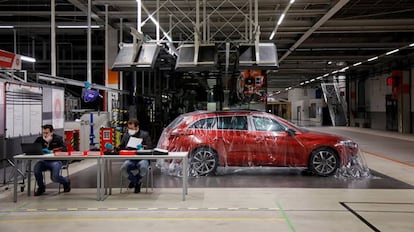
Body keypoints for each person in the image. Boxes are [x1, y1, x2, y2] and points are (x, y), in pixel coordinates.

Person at [33, 124, 71, 196]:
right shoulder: (39, 139)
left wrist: (52, 151)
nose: (45, 135)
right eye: (43, 133)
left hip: (56, 161)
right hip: (44, 161)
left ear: (51, 132)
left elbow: (64, 149)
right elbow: (33, 147)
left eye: (47, 133)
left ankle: (66, 182)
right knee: (36, 169)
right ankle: (41, 187)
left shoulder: (58, 139)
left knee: (54, 177)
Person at [119, 118, 153, 193]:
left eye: (132, 128)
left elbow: (150, 147)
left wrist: (143, 147)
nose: (130, 130)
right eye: (129, 128)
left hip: (143, 158)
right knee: (123, 169)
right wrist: (125, 148)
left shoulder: (144, 134)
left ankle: (134, 181)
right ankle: (136, 182)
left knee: (143, 167)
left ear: (137, 127)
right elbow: (121, 147)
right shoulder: (126, 135)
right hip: (131, 159)